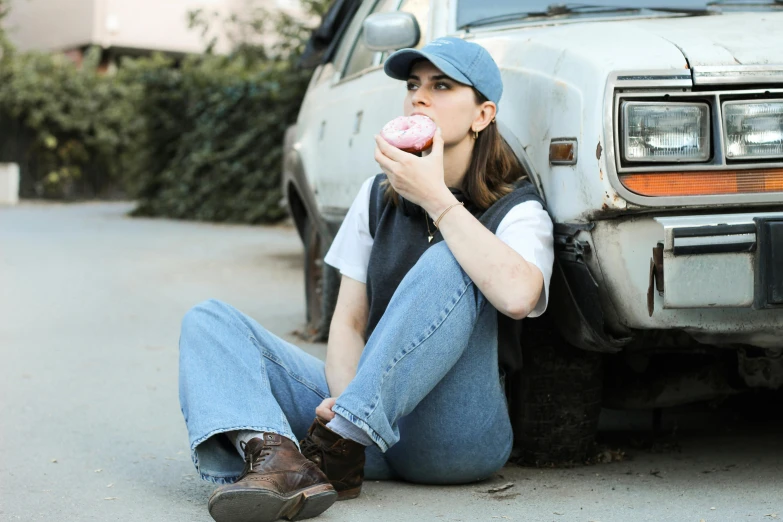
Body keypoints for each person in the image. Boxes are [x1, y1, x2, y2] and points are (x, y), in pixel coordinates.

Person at [178, 36, 554, 522]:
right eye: (413, 85)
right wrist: (343, 401)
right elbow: (349, 323)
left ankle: (339, 439)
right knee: (208, 321)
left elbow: (520, 296)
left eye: (441, 86)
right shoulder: (375, 196)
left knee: (451, 256)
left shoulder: (518, 209)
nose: (420, 96)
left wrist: (438, 200)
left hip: (455, 439)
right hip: (363, 437)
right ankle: (280, 460)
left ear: (483, 115)